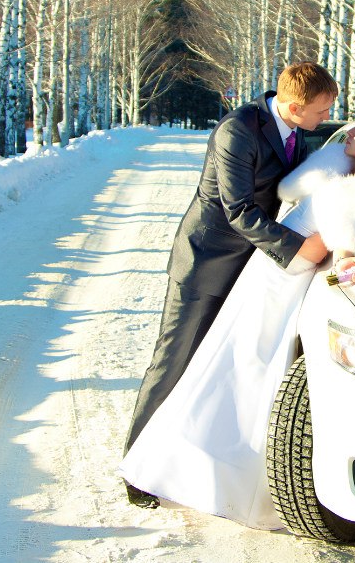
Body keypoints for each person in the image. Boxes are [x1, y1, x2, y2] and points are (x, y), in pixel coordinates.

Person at [119, 105, 355, 529]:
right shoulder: (345, 169)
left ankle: (220, 472)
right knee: (226, 360)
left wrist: (310, 253)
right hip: (269, 271)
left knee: (250, 367)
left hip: (286, 279)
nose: (349, 130)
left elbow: (338, 246)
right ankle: (178, 463)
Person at [123, 62, 338, 507]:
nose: (324, 118)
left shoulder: (294, 124)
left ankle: (184, 460)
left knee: (213, 368)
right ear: (296, 107)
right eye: (321, 111)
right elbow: (238, 209)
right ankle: (137, 467)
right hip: (205, 262)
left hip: (247, 265)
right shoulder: (237, 130)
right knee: (174, 362)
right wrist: (300, 249)